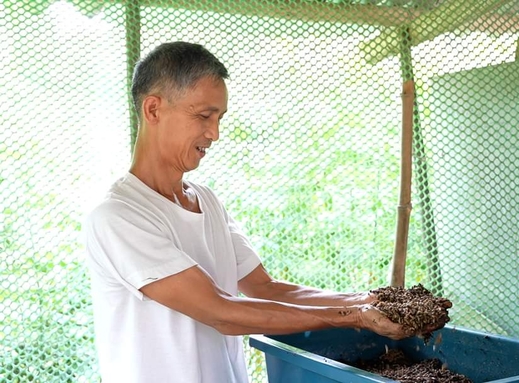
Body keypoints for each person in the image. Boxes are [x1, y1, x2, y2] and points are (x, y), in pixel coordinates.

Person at [84, 41, 416, 383]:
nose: (214, 133)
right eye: (203, 116)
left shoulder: (206, 200)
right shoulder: (119, 216)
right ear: (153, 109)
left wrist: (369, 300)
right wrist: (355, 316)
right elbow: (221, 312)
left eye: (219, 118)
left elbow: (265, 288)